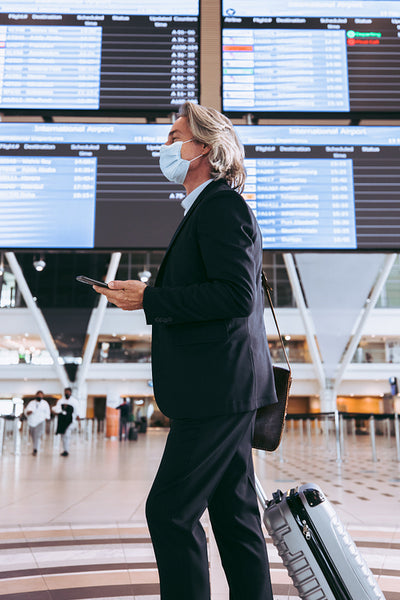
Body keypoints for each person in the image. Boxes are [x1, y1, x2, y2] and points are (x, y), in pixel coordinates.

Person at [93, 101, 277, 600]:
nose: (166, 146)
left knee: (169, 511)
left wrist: (150, 297)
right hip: (225, 387)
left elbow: (237, 295)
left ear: (204, 150)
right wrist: (146, 298)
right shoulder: (206, 208)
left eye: (175, 136)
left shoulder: (221, 206)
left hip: (217, 391)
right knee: (234, 512)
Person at [52, 387, 80, 456]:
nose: (67, 393)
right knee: (63, 435)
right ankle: (65, 449)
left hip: (71, 421)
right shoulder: (60, 401)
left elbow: (77, 412)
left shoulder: (74, 401)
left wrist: (78, 419)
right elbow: (57, 409)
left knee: (67, 434)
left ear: (70, 393)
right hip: (62, 421)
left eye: (68, 392)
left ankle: (66, 450)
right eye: (65, 392)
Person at [24, 390, 50, 455]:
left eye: (41, 395)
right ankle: (35, 447)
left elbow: (47, 412)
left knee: (37, 435)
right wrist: (28, 412)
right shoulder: (31, 403)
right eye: (38, 395)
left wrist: (46, 418)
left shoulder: (45, 403)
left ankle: (35, 449)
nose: (40, 396)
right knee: (33, 435)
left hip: (40, 421)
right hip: (32, 421)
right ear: (36, 395)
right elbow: (26, 411)